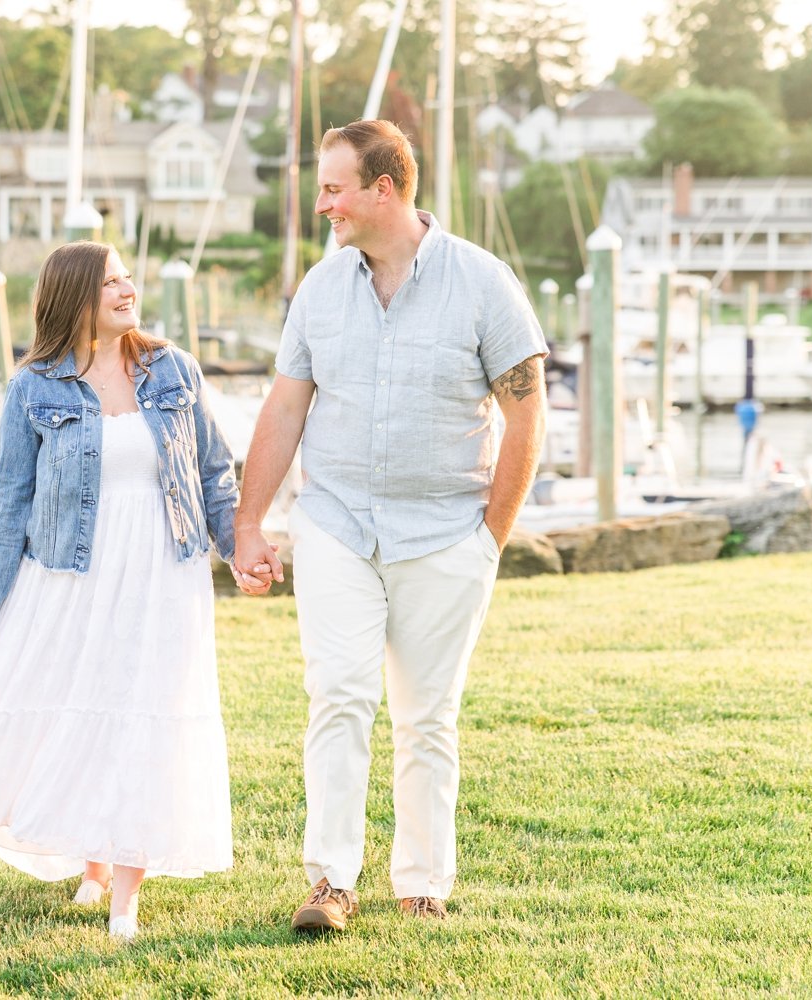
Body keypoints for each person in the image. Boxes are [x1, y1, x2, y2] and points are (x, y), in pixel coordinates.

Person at [233, 119, 548, 931]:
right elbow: (285, 408)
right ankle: (331, 882)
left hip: (446, 536)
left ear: (385, 188)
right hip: (336, 525)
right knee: (337, 697)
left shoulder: (484, 283)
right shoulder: (320, 287)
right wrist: (249, 523)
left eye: (334, 188)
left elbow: (526, 415)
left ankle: (421, 887)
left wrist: (489, 539)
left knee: (425, 717)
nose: (321, 205)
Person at [0, 241, 242, 942]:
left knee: (144, 711)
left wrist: (242, 548)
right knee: (87, 711)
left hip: (163, 572)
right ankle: (94, 865)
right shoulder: (36, 387)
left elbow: (216, 474)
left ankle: (126, 889)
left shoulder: (173, 370)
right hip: (71, 575)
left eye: (127, 277)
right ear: (75, 298)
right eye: (110, 282)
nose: (127, 289)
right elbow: (10, 503)